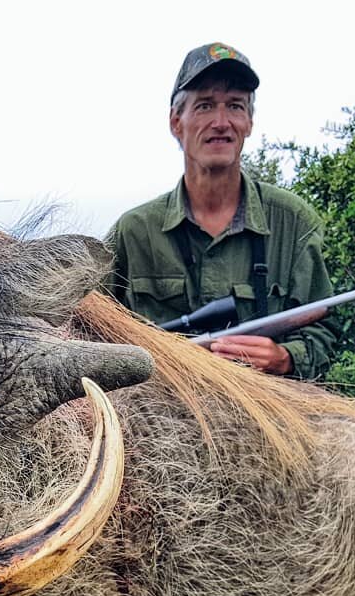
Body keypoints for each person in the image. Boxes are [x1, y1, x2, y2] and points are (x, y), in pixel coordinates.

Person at [105, 42, 338, 379]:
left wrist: (285, 357)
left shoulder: (293, 220)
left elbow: (324, 329)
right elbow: (88, 331)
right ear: (176, 122)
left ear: (249, 122)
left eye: (235, 106)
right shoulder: (134, 231)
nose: (221, 121)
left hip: (270, 410)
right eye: (204, 106)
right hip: (157, 415)